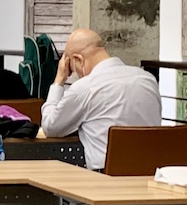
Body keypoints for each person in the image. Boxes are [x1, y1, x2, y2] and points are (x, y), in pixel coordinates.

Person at [39, 27, 160, 171]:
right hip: (151, 178)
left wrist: (59, 80)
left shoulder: (85, 88)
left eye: (72, 67)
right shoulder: (147, 80)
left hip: (106, 180)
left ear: (79, 59)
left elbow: (50, 127)